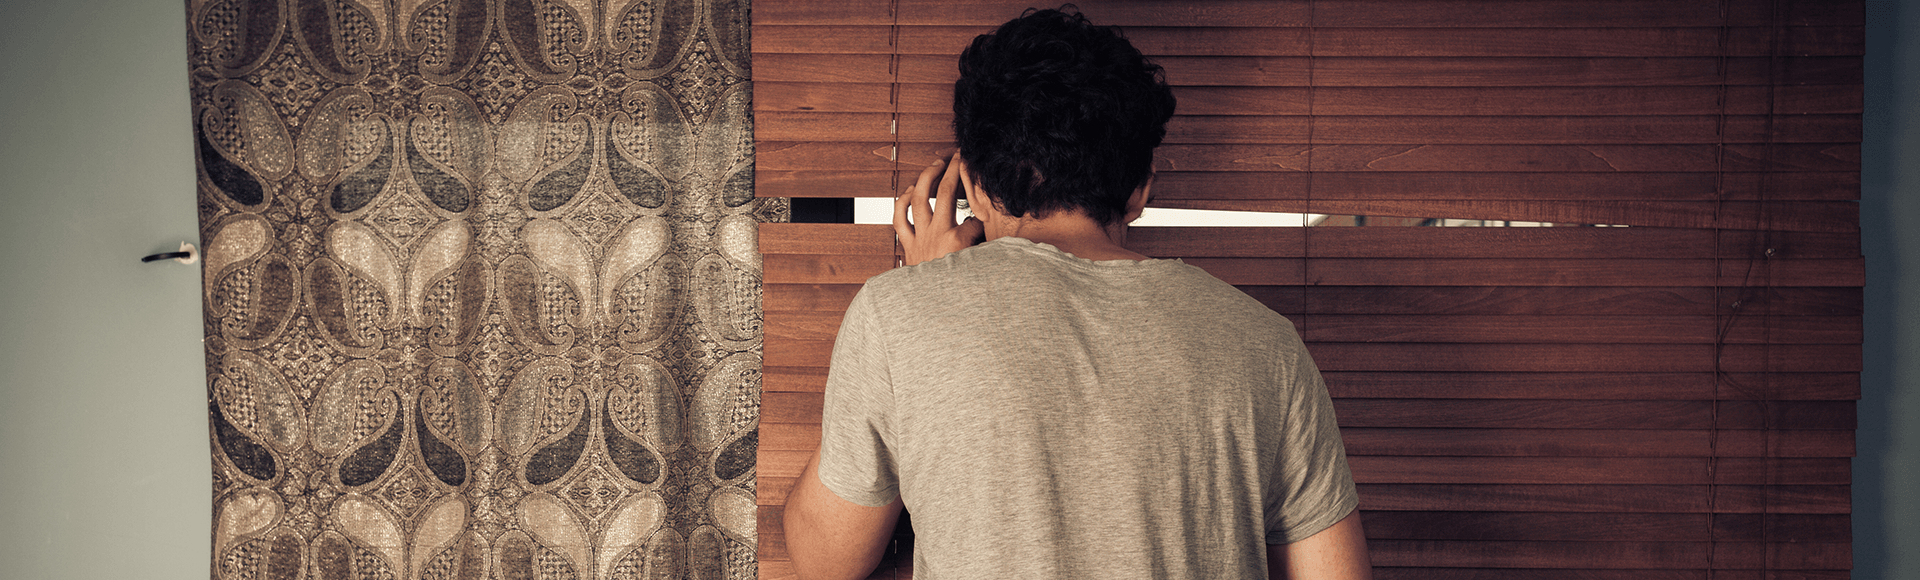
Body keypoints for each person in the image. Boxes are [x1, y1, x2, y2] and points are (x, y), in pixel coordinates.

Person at [782, 7, 1371, 579]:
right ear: (1139, 191)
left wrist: (929, 287)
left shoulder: (897, 316)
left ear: (976, 187)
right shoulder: (1265, 345)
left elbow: (824, 560)